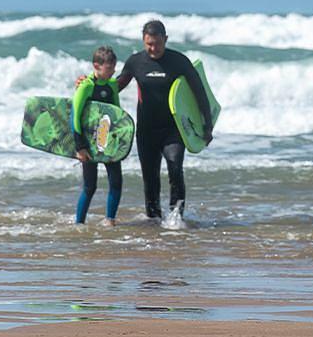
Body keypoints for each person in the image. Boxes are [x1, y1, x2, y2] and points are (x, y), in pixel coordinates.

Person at [112, 19, 212, 224]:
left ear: (165, 39)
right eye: (149, 43)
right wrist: (91, 85)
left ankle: (176, 218)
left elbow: (199, 93)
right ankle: (154, 220)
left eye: (157, 43)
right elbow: (116, 86)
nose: (153, 48)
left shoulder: (179, 61)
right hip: (146, 131)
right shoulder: (135, 62)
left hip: (173, 130)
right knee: (150, 178)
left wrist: (207, 125)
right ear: (143, 40)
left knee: (175, 168)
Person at [72, 46, 123, 226]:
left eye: (114, 68)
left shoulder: (112, 85)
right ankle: (79, 223)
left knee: (116, 182)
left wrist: (119, 141)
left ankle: (110, 220)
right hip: (88, 143)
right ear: (96, 65)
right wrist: (80, 146)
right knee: (90, 186)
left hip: (108, 142)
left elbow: (117, 114)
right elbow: (75, 116)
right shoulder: (86, 86)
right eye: (109, 68)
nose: (113, 72)